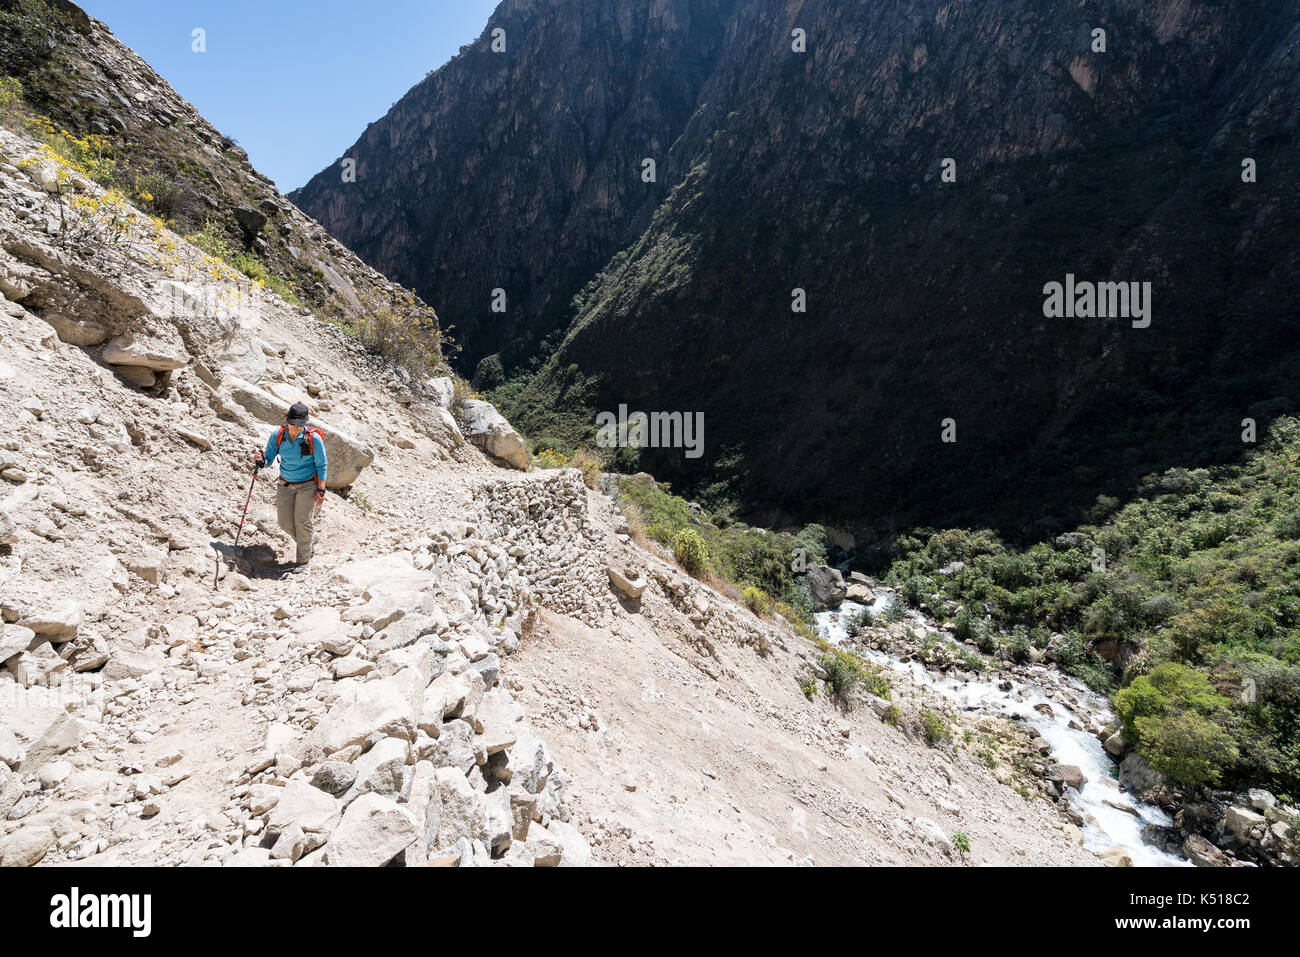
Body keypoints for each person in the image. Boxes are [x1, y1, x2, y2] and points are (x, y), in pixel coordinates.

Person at [254, 402, 328, 568]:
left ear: (305, 423)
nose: (295, 427)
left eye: (299, 424)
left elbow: (322, 464)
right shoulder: (278, 435)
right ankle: (309, 541)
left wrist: (321, 489)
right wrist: (261, 462)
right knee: (284, 522)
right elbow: (269, 458)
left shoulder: (313, 438)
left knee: (302, 521)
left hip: (308, 484)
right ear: (287, 420)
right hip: (285, 484)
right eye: (292, 423)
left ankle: (302, 561)